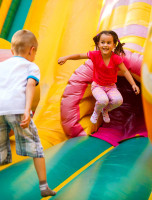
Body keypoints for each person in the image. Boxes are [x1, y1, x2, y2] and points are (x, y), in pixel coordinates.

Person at [0, 30, 56, 197]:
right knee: (36, 148)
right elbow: (30, 85)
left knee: (1, 150)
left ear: (11, 51)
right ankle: (44, 186)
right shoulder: (31, 66)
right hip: (17, 109)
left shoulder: (2, 65)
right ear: (32, 50)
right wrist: (27, 110)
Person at [58, 30, 140, 124]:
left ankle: (105, 110)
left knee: (118, 101)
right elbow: (80, 55)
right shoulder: (95, 55)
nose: (105, 45)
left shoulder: (116, 58)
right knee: (103, 100)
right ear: (98, 44)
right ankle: (96, 112)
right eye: (103, 42)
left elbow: (125, 71)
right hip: (97, 86)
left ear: (114, 45)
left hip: (111, 87)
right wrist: (66, 58)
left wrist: (133, 84)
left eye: (109, 43)